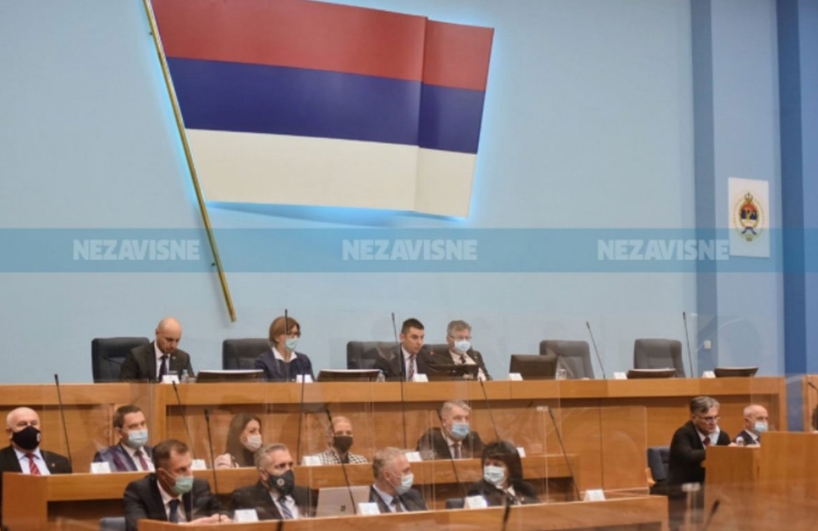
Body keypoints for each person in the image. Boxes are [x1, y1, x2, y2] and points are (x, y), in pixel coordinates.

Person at [123, 439, 229, 530]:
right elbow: (137, 528)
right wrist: (186, 528)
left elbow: (222, 512)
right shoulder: (140, 492)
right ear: (162, 474)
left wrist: (222, 519)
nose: (189, 474)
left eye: (189, 466)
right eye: (181, 470)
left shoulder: (199, 486)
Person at [667, 396, 732, 531]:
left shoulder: (722, 436)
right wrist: (717, 451)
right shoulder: (683, 434)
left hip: (712, 487)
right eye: (708, 418)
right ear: (693, 417)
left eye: (716, 417)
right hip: (685, 486)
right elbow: (688, 456)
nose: (713, 423)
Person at [0, 407, 72, 526]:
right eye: (22, 424)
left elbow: (69, 500)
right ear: (9, 432)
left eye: (34, 423)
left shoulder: (60, 462)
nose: (30, 428)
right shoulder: (2, 461)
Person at [231, 443, 315, 520]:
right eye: (281, 466)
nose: (288, 470)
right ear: (263, 474)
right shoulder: (245, 499)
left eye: (290, 465)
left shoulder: (305, 494)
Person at [119, 317, 194, 382]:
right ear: (157, 333)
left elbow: (191, 386)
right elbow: (125, 386)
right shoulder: (137, 356)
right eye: (169, 340)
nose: (173, 346)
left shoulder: (183, 358)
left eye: (177, 340)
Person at [467, 441, 539, 506]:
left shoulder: (525, 489)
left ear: (511, 468)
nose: (491, 468)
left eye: (497, 465)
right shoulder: (477, 491)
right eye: (487, 464)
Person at [417, 400, 485, 460]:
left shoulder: (472, 438)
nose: (464, 423)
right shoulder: (431, 439)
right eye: (458, 418)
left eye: (466, 418)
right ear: (444, 421)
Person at [93, 405, 153, 472]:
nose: (141, 430)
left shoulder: (155, 453)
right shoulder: (105, 457)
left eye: (143, 424)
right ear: (119, 433)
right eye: (133, 426)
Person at [426, 320, 492, 380]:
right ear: (448, 339)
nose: (464, 341)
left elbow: (488, 378)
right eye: (460, 338)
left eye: (467, 338)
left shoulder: (476, 355)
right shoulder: (438, 360)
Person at [255, 316, 315, 382]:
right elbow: (261, 387)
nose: (294, 338)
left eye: (296, 334)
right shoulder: (264, 361)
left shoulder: (303, 360)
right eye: (289, 334)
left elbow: (312, 386)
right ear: (276, 337)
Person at [369, 447, 427, 513]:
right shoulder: (367, 501)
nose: (410, 474)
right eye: (405, 471)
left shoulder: (414, 496)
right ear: (387, 476)